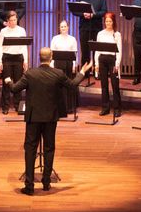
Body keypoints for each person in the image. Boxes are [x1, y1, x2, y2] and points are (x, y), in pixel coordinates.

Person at [8, 47, 92, 195]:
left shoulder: (30, 73)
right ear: (51, 57)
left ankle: (29, 186)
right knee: (49, 148)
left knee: (30, 150)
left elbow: (14, 89)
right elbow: (72, 86)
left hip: (33, 118)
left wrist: (8, 81)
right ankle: (46, 183)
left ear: (39, 57)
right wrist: (82, 72)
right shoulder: (58, 73)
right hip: (50, 117)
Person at [72, 0, 107, 74]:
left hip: (96, 28)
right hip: (84, 27)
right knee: (85, 51)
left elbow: (104, 11)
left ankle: (97, 72)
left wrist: (93, 15)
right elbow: (74, 10)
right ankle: (85, 73)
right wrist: (83, 14)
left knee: (97, 51)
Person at [0, 11, 28, 114]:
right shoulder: (3, 31)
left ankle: (17, 105)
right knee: (6, 83)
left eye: (15, 20)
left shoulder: (21, 30)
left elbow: (24, 46)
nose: (13, 22)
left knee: (18, 83)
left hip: (18, 58)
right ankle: (5, 106)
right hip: (7, 58)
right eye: (11, 20)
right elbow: (0, 46)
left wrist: (26, 60)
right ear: (7, 21)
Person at [95, 12, 123, 117]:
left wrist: (117, 64)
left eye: (110, 21)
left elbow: (119, 51)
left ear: (113, 22)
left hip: (112, 60)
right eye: (106, 21)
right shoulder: (100, 33)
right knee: (104, 85)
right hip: (102, 59)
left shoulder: (117, 34)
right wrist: (96, 63)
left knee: (115, 85)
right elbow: (97, 50)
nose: (108, 23)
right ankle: (105, 108)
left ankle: (117, 108)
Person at [50, 20, 79, 113]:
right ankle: (59, 107)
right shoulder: (55, 38)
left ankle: (69, 107)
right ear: (59, 28)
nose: (63, 28)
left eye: (65, 26)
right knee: (59, 85)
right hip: (58, 64)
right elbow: (52, 53)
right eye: (61, 26)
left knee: (68, 84)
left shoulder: (72, 39)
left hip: (68, 64)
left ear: (68, 27)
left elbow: (75, 54)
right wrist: (51, 64)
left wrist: (74, 65)